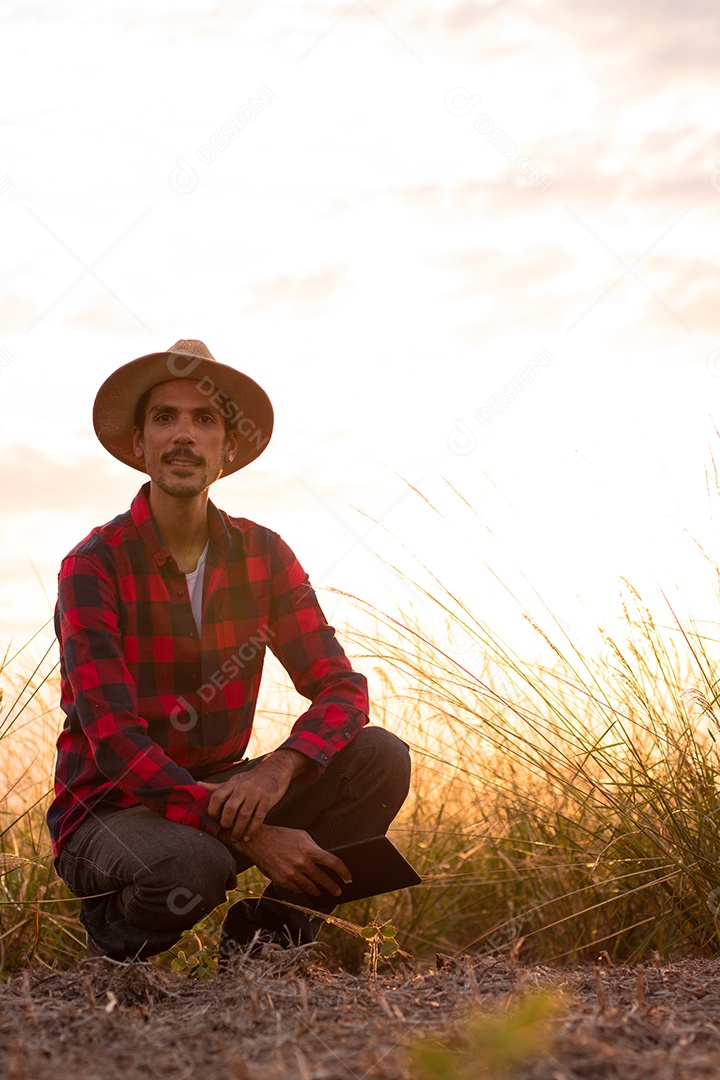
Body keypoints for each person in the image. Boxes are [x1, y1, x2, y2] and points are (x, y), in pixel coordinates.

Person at [47, 339, 411, 962]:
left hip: (219, 789)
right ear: (139, 444)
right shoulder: (93, 564)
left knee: (379, 756)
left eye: (205, 419)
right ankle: (112, 947)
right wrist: (254, 835)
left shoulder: (263, 554)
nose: (183, 435)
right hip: (110, 809)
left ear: (229, 448)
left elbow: (342, 690)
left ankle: (269, 944)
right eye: (165, 418)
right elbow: (114, 739)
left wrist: (278, 770)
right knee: (193, 864)